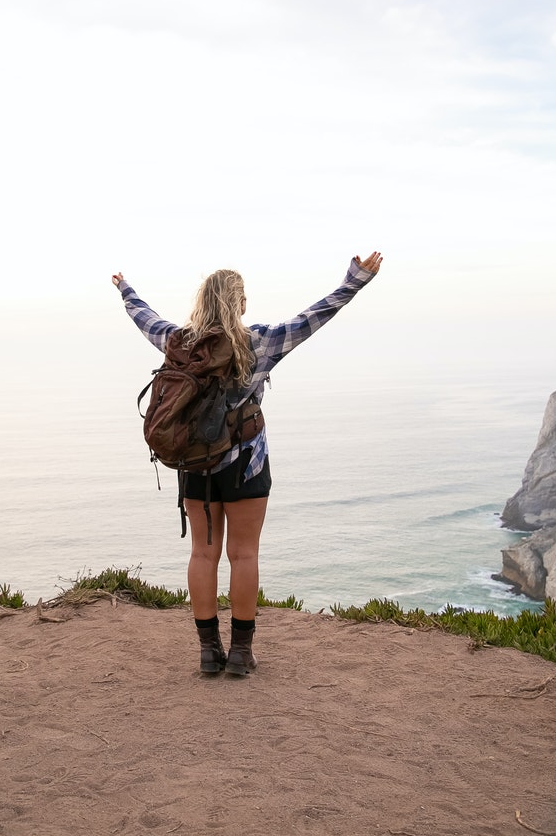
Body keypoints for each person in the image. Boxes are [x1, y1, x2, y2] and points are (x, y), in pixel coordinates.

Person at [111, 252, 382, 676]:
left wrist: (126, 290)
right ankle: (239, 654)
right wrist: (355, 280)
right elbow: (318, 314)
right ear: (238, 303)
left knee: (202, 554)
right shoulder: (259, 341)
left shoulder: (178, 342)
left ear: (202, 301)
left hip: (194, 463)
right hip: (246, 464)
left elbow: (144, 318)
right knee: (243, 554)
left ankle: (207, 652)